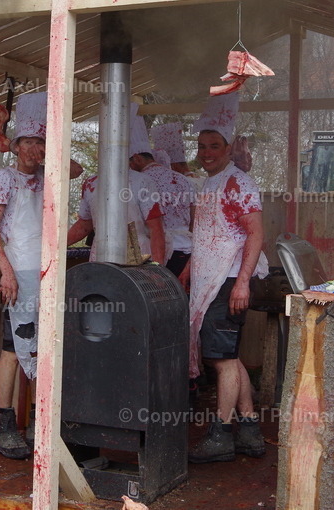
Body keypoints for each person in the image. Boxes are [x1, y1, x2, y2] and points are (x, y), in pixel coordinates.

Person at [181, 102, 269, 464]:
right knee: (228, 358)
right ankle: (248, 430)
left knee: (222, 362)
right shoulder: (210, 183)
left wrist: (242, 284)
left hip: (230, 280)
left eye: (214, 146)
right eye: (201, 147)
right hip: (211, 279)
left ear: (230, 148)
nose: (206, 153)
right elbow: (207, 235)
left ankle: (220, 435)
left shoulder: (239, 182)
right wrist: (188, 268)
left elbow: (255, 235)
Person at [0, 92, 48, 459]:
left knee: (45, 349)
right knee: (12, 349)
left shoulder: (49, 175)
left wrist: (50, 156)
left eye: (40, 142)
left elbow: (76, 169)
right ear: (16, 146)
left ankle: (40, 423)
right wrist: (6, 273)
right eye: (28, 142)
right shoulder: (2, 179)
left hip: (46, 272)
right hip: (19, 273)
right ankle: (5, 426)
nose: (34, 149)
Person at [129, 108, 196, 278]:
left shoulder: (140, 182)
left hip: (160, 253)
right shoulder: (183, 180)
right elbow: (194, 220)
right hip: (187, 252)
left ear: (136, 158)